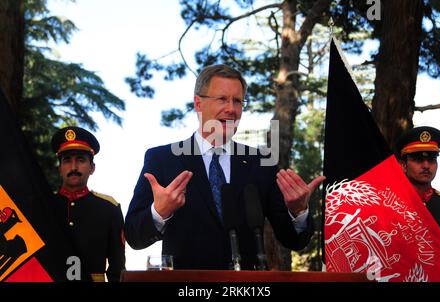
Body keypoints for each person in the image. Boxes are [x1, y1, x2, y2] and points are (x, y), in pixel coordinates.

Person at [125, 64, 325, 270]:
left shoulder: (260, 162)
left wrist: (298, 210)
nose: (231, 109)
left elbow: (293, 240)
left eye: (237, 101)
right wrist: (160, 212)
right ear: (198, 103)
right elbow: (134, 236)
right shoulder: (163, 159)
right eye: (222, 99)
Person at [51, 126, 125, 281]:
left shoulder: (109, 208)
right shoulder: (43, 205)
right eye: (67, 160)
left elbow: (117, 268)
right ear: (60, 168)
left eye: (81, 160)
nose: (73, 167)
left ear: (92, 168)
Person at [395, 126, 440, 240]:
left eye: (431, 160)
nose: (426, 166)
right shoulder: (391, 204)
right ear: (403, 166)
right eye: (418, 159)